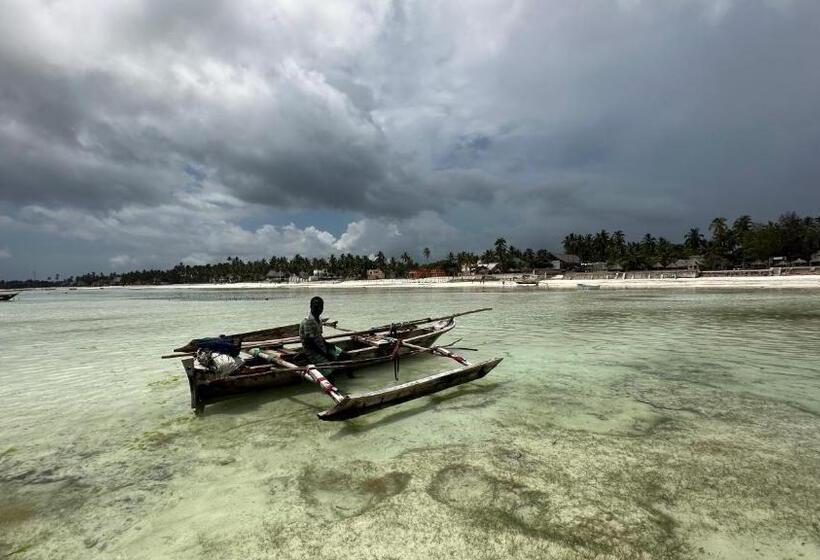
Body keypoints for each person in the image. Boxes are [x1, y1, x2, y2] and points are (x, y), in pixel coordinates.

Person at [299, 296, 344, 368]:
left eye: (320, 307)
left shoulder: (319, 320)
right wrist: (325, 354)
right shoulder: (308, 322)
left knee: (344, 355)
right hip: (312, 352)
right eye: (316, 307)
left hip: (322, 347)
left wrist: (328, 345)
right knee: (330, 371)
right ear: (311, 306)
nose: (318, 309)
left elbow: (319, 337)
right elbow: (310, 344)